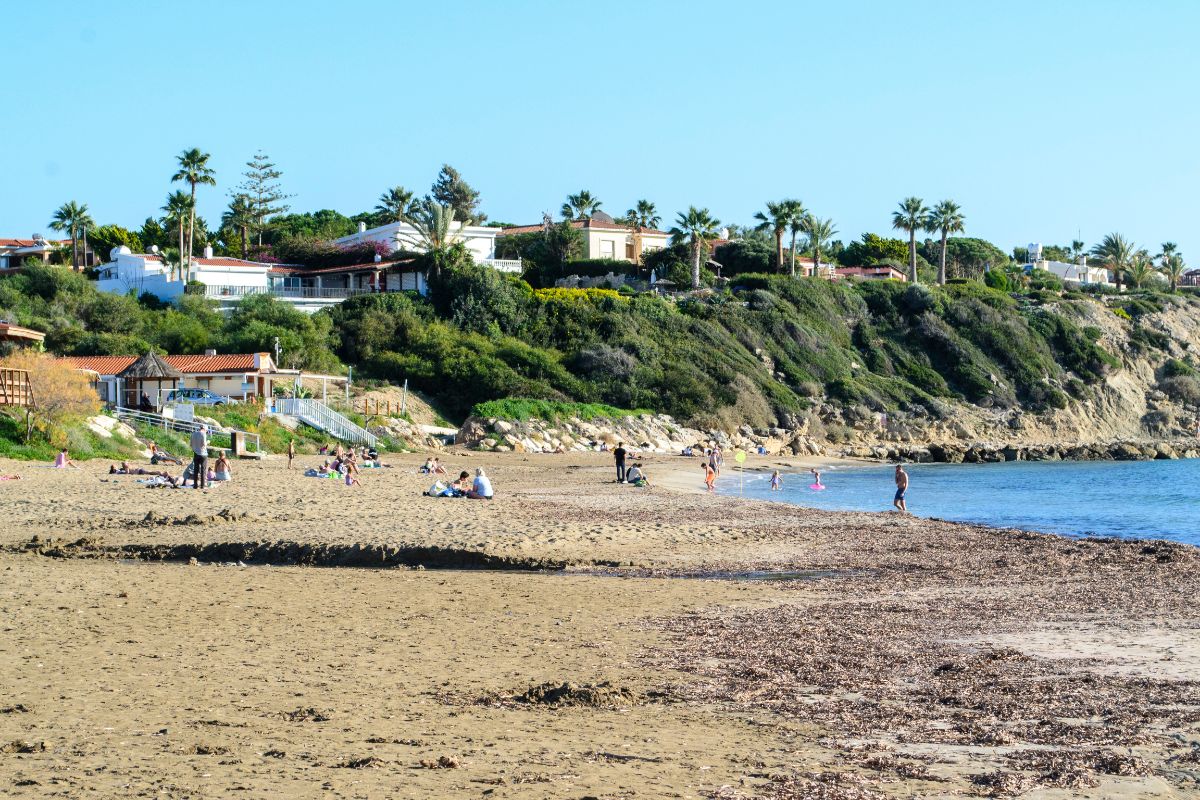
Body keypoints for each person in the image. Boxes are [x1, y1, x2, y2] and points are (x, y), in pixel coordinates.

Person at [189, 425, 209, 489]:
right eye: (206, 431)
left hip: (196, 453)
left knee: (196, 470)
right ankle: (202, 486)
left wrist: (195, 449)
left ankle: (195, 485)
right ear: (205, 429)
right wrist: (208, 442)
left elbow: (191, 444)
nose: (206, 432)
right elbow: (204, 444)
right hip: (203, 454)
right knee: (203, 470)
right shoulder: (203, 434)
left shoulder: (193, 434)